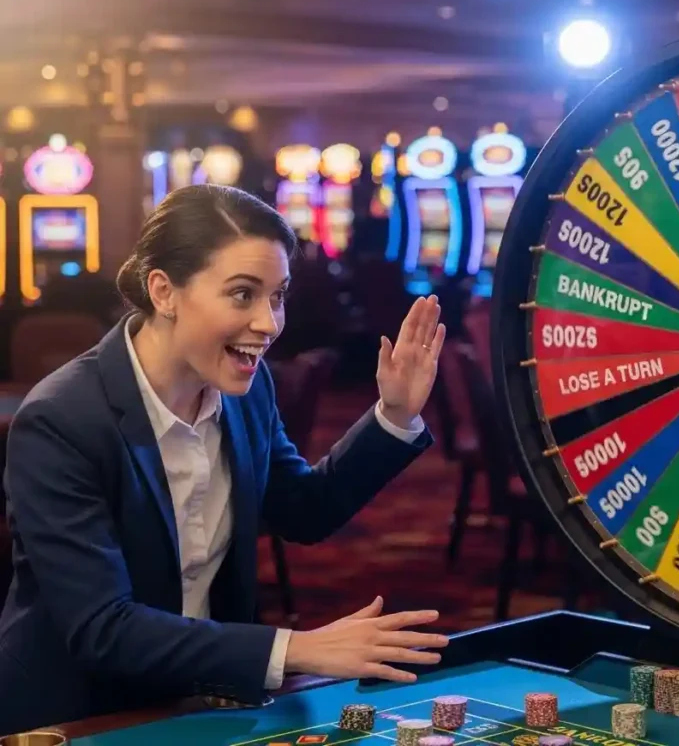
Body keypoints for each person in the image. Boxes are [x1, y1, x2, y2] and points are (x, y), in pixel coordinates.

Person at [0, 185, 449, 735]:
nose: (269, 322)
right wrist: (298, 649)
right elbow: (103, 628)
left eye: (278, 296)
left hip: (203, 702)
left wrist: (394, 415)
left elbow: (304, 510)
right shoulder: (61, 421)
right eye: (242, 294)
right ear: (163, 291)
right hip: (81, 714)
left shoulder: (247, 391)